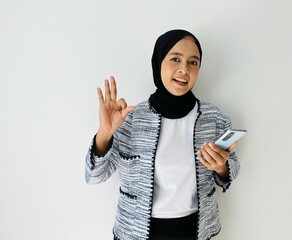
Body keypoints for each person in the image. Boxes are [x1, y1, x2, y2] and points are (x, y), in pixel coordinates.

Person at [85, 29, 240, 240]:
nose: (184, 69)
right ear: (158, 62)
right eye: (175, 59)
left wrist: (221, 167)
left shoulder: (215, 118)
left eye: (193, 62)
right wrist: (105, 133)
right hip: (135, 232)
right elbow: (94, 176)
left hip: (195, 229)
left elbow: (231, 171)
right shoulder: (129, 118)